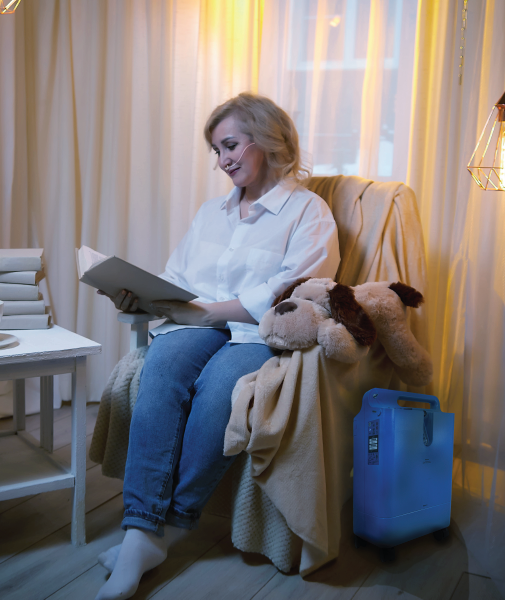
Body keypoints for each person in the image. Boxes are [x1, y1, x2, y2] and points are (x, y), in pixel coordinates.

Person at [95, 92, 340, 600]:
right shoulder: (212, 212)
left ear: (268, 140)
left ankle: (168, 525)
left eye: (230, 144)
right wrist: (140, 294)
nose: (223, 159)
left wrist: (209, 312)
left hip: (257, 331)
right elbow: (178, 278)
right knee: (163, 367)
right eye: (217, 150)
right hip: (194, 323)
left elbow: (290, 290)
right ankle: (141, 529)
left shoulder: (307, 211)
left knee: (221, 388)